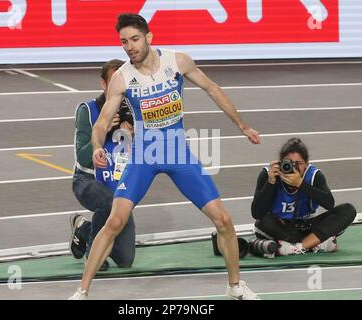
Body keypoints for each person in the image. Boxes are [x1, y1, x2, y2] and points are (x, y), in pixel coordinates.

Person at [69, 13, 261, 300]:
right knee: (114, 221)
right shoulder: (122, 78)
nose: (129, 46)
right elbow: (101, 123)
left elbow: (212, 89)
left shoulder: (177, 61)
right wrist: (97, 146)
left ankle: (235, 286)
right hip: (144, 156)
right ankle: (81, 292)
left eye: (134, 39)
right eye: (124, 42)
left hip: (176, 150)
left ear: (149, 37)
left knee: (223, 220)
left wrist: (242, 125)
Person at [70, 59, 136, 270]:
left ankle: (84, 229)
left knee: (126, 260)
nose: (120, 88)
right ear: (103, 84)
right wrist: (104, 129)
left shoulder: (133, 112)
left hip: (117, 185)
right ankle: (93, 255)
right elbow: (82, 156)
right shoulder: (87, 110)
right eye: (114, 82)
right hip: (87, 180)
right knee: (107, 202)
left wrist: (136, 136)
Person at [250, 137, 357, 257]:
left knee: (348, 210)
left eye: (299, 164)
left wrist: (301, 184)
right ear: (280, 162)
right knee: (262, 222)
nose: (294, 167)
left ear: (306, 164)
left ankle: (298, 247)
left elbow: (329, 204)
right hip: (281, 228)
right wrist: (270, 183)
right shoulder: (269, 174)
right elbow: (256, 213)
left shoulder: (314, 176)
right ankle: (316, 243)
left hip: (307, 226)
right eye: (288, 163)